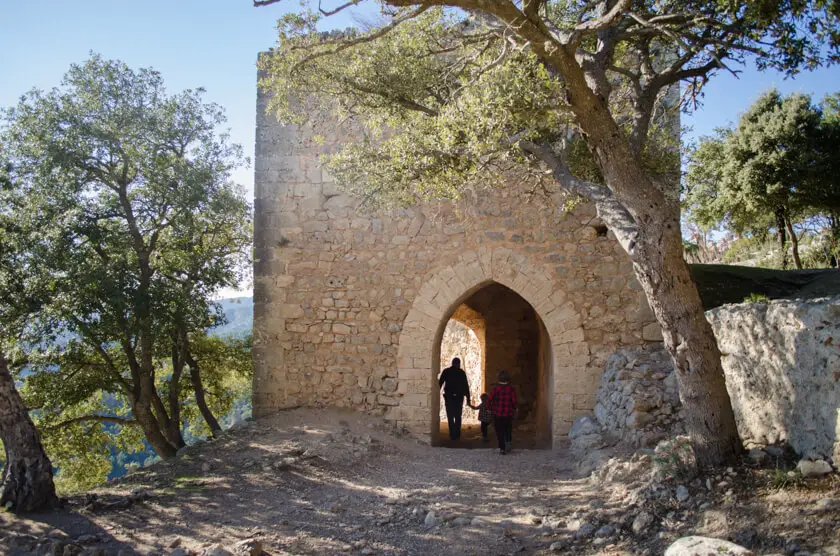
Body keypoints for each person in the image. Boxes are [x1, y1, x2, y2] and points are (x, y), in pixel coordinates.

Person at [439, 357, 471, 440]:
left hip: (449, 397)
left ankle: (452, 433)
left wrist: (435, 395)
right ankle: (457, 434)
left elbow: (440, 383)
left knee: (450, 415)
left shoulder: (446, 371)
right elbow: (465, 386)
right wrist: (468, 398)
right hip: (459, 397)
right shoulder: (461, 373)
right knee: (458, 415)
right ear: (458, 364)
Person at [489, 370, 516, 454]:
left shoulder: (496, 389)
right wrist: (514, 408)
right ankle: (508, 442)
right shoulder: (511, 389)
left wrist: (488, 408)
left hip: (498, 414)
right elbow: (514, 401)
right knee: (508, 429)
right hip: (508, 414)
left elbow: (490, 399)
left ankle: (502, 448)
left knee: (499, 431)